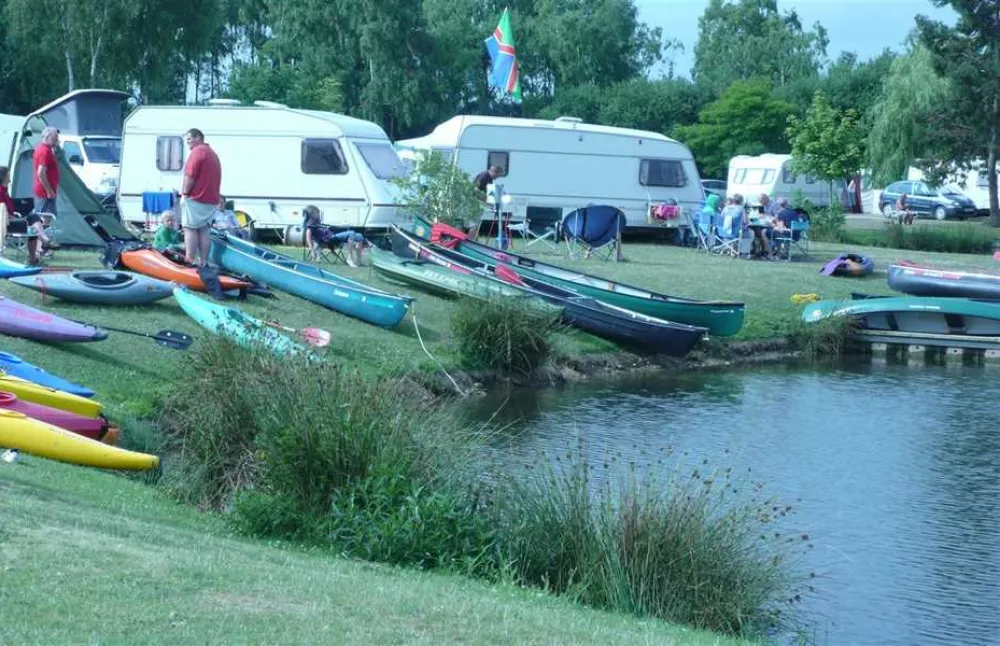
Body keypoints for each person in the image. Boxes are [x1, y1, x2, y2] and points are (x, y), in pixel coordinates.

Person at [179, 128, 222, 266]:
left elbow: (190, 175)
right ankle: (204, 261)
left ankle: (190, 260)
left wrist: (185, 193)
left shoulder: (197, 152)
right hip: (211, 199)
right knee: (204, 230)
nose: (188, 143)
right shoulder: (212, 153)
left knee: (190, 228)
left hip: (196, 197)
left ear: (198, 137)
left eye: (190, 139)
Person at [30, 127, 60, 258]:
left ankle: (42, 248)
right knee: (42, 219)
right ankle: (40, 249)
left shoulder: (47, 150)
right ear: (47, 137)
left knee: (45, 219)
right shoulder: (44, 151)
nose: (57, 140)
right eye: (55, 138)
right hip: (44, 192)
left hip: (47, 191)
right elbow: (41, 173)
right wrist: (49, 190)